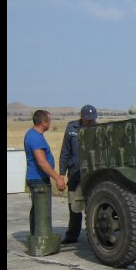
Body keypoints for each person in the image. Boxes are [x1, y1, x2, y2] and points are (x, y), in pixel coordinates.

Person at [59, 104, 97, 244]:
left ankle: (94, 235)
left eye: (93, 120)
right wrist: (62, 173)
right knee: (74, 204)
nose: (91, 122)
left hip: (92, 173)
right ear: (82, 117)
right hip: (75, 172)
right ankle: (72, 235)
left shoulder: (98, 129)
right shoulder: (71, 129)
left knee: (93, 204)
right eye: (88, 119)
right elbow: (65, 152)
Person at [24, 110, 66, 235]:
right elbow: (42, 162)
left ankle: (37, 236)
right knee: (41, 210)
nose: (50, 122)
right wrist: (57, 178)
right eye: (49, 120)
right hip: (38, 179)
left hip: (37, 178)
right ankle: (41, 238)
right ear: (43, 122)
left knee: (38, 209)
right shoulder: (35, 137)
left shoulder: (34, 135)